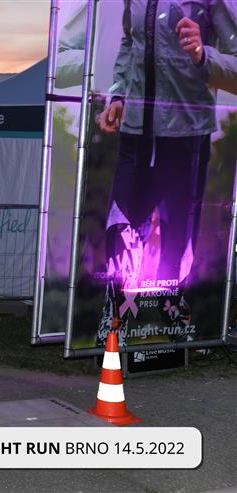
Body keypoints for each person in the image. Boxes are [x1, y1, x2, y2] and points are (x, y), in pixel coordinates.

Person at [96, 0, 236, 332]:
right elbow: (130, 43)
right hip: (136, 131)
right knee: (121, 224)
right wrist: (118, 97)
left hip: (186, 135)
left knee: (177, 235)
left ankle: (171, 313)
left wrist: (202, 54)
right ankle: (117, 313)